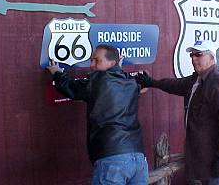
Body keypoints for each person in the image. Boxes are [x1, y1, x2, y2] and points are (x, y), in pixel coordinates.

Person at [135, 40, 219, 185]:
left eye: (198, 54)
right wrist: (152, 82)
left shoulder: (218, 82)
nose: (193, 58)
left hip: (215, 159)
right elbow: (175, 85)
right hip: (203, 158)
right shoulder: (197, 80)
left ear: (212, 57)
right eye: (191, 55)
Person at [47, 44, 148, 185]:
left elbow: (70, 87)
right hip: (138, 159)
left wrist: (57, 72)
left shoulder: (97, 81)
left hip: (112, 159)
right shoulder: (130, 82)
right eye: (91, 60)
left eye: (97, 60)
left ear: (112, 63)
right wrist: (117, 68)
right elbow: (137, 85)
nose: (92, 65)